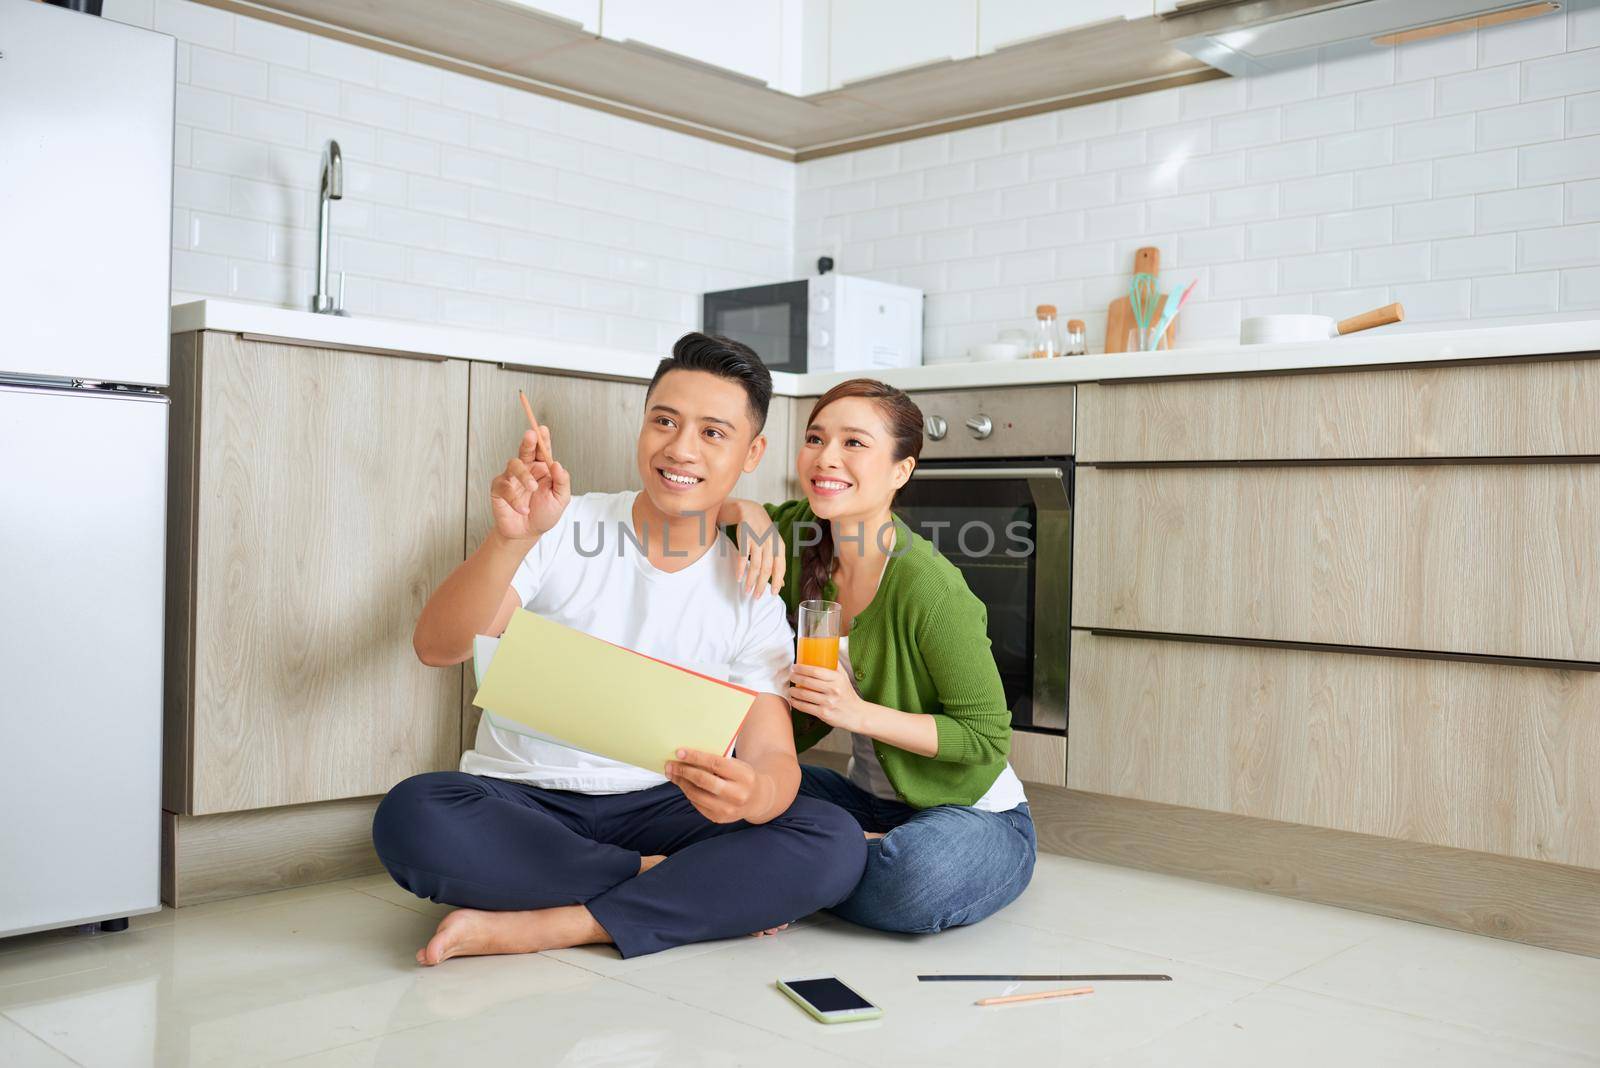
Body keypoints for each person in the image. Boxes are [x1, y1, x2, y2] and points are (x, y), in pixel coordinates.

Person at [372, 334, 866, 965]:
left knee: (831, 839)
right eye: (664, 421)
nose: (680, 447)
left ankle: (561, 922)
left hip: (666, 802)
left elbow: (773, 756)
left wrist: (754, 795)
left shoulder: (750, 589)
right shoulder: (561, 526)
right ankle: (663, 882)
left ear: (753, 451)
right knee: (412, 817)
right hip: (527, 798)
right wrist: (508, 541)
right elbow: (436, 647)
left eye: (713, 432)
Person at [721, 378, 1036, 935]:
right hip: (864, 803)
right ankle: (822, 857)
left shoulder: (929, 587)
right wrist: (746, 509)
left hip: (966, 814)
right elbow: (698, 507)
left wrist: (856, 712)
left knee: (914, 881)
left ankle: (798, 866)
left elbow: (986, 737)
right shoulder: (797, 532)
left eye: (854, 444)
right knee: (711, 793)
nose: (826, 458)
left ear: (900, 471)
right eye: (816, 439)